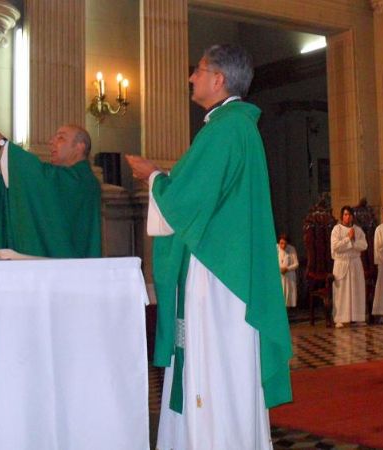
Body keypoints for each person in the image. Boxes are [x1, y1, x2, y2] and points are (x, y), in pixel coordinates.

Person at [125, 44, 292, 450]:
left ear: (219, 80)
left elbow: (184, 203)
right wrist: (164, 178)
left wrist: (153, 177)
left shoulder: (225, 129)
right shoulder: (233, 127)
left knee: (215, 364)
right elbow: (201, 195)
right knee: (221, 364)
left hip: (218, 275)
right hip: (222, 268)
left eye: (198, 70)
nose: (190, 78)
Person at [0, 123, 102, 258]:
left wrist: (0, 142)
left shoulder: (82, 180)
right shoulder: (63, 177)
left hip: (69, 269)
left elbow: (38, 178)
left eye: (61, 138)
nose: (51, 142)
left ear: (79, 146)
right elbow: (18, 198)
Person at [331, 206, 368, 328]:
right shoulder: (336, 229)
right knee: (342, 292)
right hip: (342, 263)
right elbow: (336, 247)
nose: (348, 217)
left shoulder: (358, 229)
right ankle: (340, 318)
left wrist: (353, 242)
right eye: (345, 214)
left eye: (350, 214)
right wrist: (348, 239)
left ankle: (357, 317)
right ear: (342, 216)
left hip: (355, 262)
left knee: (356, 290)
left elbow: (364, 245)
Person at [277, 234, 299, 308]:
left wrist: (287, 269)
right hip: (279, 276)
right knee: (280, 295)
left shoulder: (291, 249)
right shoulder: (276, 248)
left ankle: (288, 313)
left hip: (289, 276)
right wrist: (280, 269)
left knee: (288, 296)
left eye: (285, 244)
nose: (282, 246)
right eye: (281, 243)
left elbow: (296, 264)